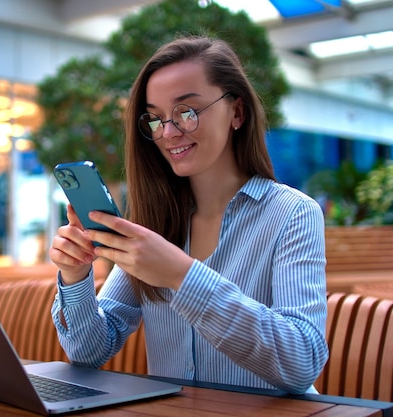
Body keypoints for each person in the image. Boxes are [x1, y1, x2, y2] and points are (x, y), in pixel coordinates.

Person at [49, 35, 328, 394]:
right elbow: (88, 351)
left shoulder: (293, 214)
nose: (168, 132)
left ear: (237, 113)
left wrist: (182, 275)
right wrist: (75, 277)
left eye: (187, 112)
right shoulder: (156, 223)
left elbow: (301, 362)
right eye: (155, 118)